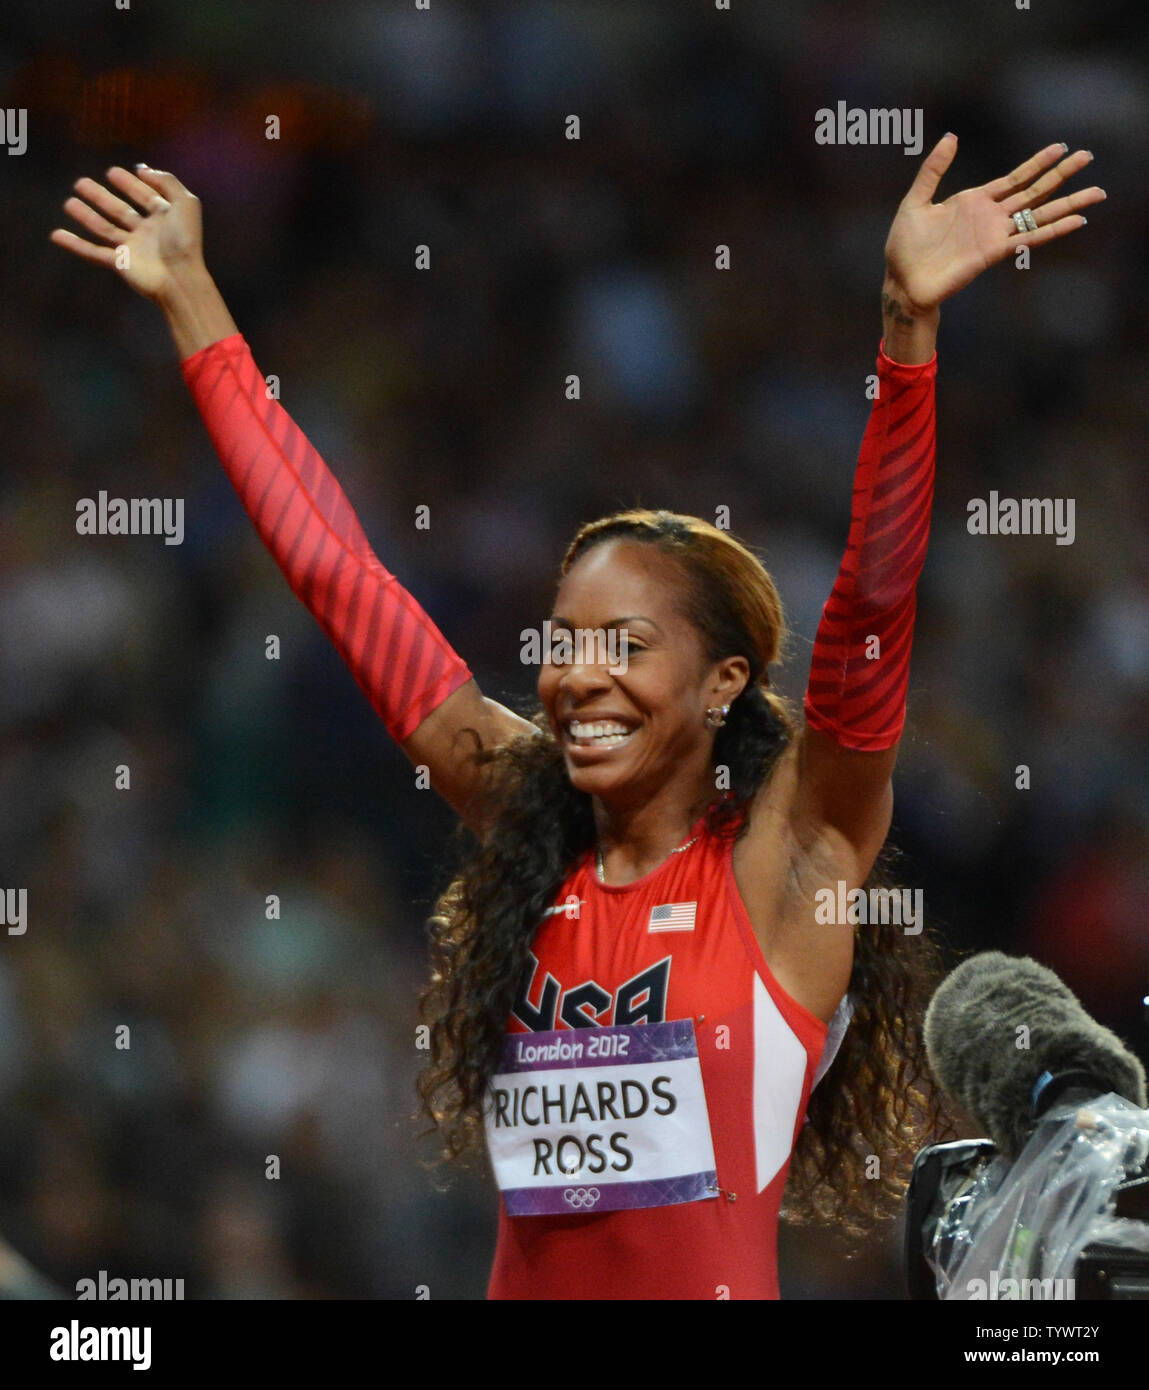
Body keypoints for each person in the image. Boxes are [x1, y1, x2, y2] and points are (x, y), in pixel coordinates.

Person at [51, 135, 1102, 1300]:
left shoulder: (791, 855)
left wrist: (908, 333)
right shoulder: (531, 818)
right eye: (563, 642)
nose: (575, 677)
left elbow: (876, 602)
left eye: (627, 647)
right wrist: (192, 296)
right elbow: (341, 577)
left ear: (724, 683)